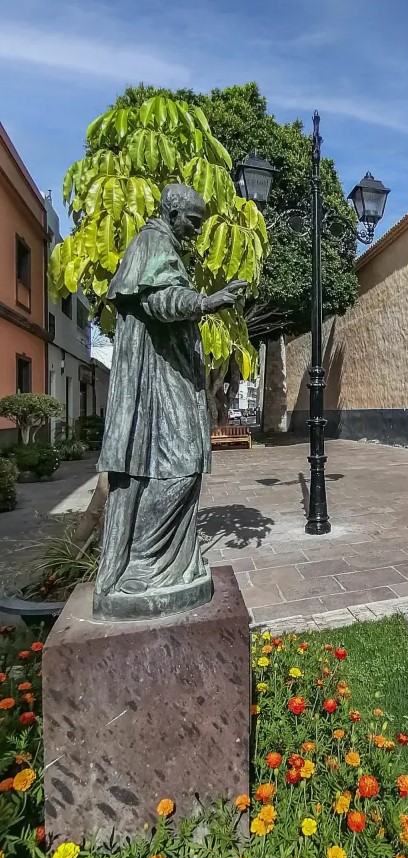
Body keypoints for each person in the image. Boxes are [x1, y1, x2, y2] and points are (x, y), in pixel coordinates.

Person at [93, 183, 247, 620]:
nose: (197, 231)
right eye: (193, 222)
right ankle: (142, 565)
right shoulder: (154, 241)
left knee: (182, 466)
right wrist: (207, 301)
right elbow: (161, 300)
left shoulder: (161, 244)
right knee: (181, 466)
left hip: (167, 378)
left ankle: (164, 565)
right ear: (172, 212)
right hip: (158, 383)